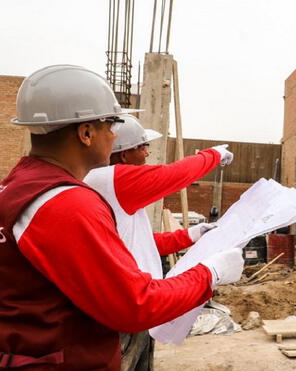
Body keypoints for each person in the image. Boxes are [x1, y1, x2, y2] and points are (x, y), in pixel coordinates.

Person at [0, 65, 244, 370]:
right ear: (86, 133)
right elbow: (136, 304)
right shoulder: (66, 203)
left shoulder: (21, 184)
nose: (114, 135)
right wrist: (210, 273)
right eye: (110, 125)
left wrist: (189, 236)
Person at [84, 114, 232, 371]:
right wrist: (213, 155)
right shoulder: (111, 179)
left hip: (138, 311)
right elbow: (173, 175)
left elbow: (138, 242)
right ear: (122, 154)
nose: (146, 154)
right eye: (141, 147)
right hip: (123, 312)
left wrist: (191, 235)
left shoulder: (114, 188)